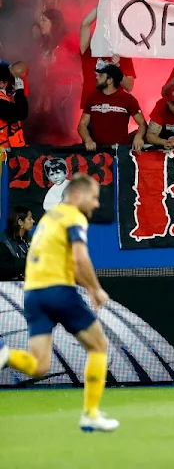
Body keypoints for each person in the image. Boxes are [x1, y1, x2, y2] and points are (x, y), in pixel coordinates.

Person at [0, 175, 117, 432]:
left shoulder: (47, 221)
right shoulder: (73, 216)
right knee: (99, 346)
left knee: (39, 366)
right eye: (94, 197)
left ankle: (6, 354)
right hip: (57, 290)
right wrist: (95, 289)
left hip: (33, 294)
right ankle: (90, 414)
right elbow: (80, 258)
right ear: (77, 195)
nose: (96, 204)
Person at [78, 64, 146, 151]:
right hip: (97, 152)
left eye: (101, 75)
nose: (97, 78)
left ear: (110, 80)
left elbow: (142, 123)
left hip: (120, 152)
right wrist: (88, 140)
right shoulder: (92, 98)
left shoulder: (128, 99)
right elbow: (82, 125)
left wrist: (138, 137)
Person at [0, 204, 32, 281]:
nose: (33, 221)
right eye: (30, 219)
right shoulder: (3, 241)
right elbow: (6, 267)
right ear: (20, 222)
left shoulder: (30, 240)